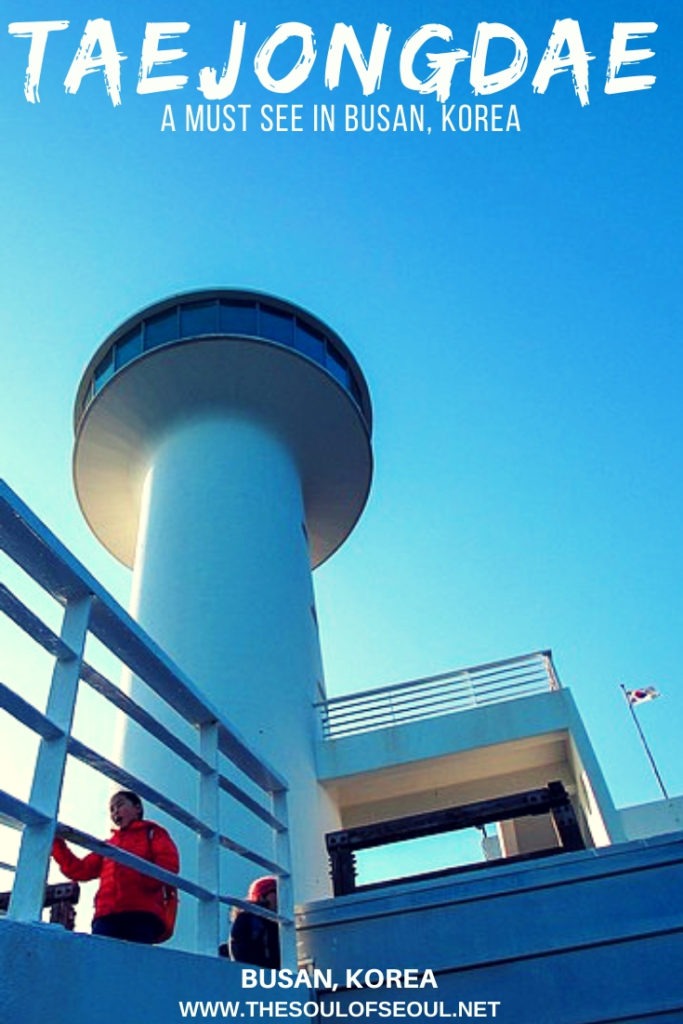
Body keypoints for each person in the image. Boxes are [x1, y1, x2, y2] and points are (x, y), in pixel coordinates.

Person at [51, 789, 179, 944]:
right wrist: (56, 843)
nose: (115, 812)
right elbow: (80, 869)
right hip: (106, 915)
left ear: (137, 808)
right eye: (111, 809)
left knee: (134, 963)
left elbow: (169, 863)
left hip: (141, 913)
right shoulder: (109, 845)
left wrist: (146, 884)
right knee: (102, 962)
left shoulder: (152, 833)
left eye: (119, 805)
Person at [221, 875, 280, 968]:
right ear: (262, 896)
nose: (280, 898)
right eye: (276, 892)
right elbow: (239, 949)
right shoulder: (248, 918)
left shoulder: (281, 924)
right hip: (256, 972)